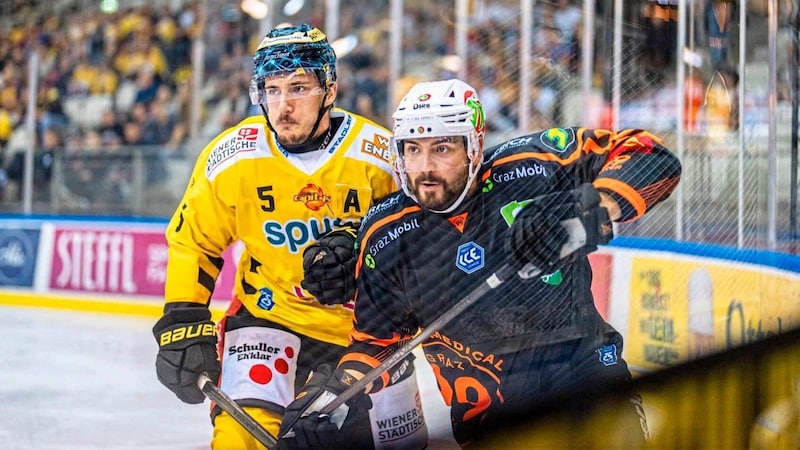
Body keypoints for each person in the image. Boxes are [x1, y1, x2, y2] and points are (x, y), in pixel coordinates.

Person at [277, 79, 682, 448]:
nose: (425, 168)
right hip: (489, 414)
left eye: (442, 148)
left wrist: (590, 209)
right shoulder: (386, 235)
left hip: (583, 377)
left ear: (474, 147)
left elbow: (653, 156)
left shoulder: (535, 167)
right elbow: (377, 345)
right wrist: (335, 396)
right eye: (412, 150)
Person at [152, 24, 428, 450]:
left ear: (329, 90)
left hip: (364, 335)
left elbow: (420, 245)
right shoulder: (232, 158)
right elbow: (194, 241)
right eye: (272, 90)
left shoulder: (381, 158)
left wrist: (362, 257)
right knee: (237, 438)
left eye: (298, 88)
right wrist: (183, 320)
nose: (282, 106)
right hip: (266, 321)